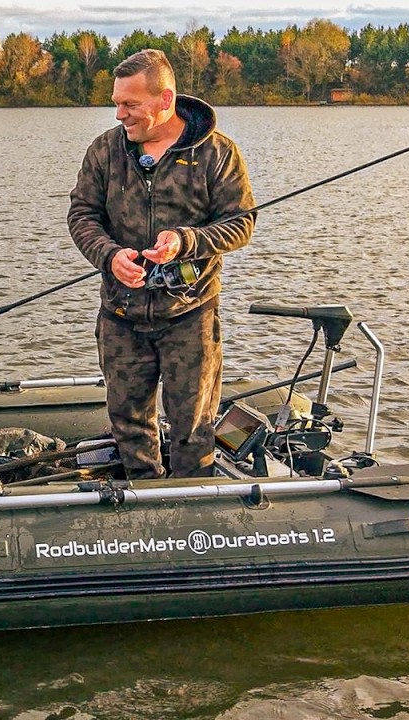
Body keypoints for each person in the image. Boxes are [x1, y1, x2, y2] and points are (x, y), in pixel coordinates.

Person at [67, 49, 256, 479]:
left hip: (191, 313)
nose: (120, 114)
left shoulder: (217, 153)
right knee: (128, 425)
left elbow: (241, 224)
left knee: (194, 429)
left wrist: (186, 241)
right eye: (116, 103)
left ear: (165, 99)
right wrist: (109, 255)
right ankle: (143, 498)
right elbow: (82, 215)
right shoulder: (105, 150)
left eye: (130, 104)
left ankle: (195, 504)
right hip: (120, 315)